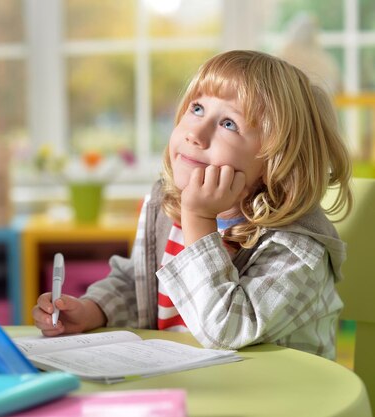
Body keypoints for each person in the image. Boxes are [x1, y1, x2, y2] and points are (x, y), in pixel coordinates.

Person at [32, 50, 353, 360]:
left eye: (229, 124)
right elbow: (139, 284)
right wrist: (92, 310)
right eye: (197, 108)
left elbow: (227, 331)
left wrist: (199, 219)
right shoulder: (168, 206)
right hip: (189, 384)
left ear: (275, 161)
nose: (195, 134)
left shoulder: (296, 247)